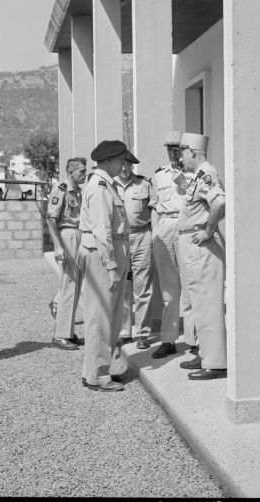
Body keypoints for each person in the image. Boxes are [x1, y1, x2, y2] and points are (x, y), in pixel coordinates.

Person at [78, 140, 130, 392]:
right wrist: (111, 266)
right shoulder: (99, 188)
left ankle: (97, 370)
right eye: (121, 160)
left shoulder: (106, 185)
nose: (124, 165)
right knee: (100, 317)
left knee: (110, 316)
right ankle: (97, 376)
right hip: (103, 256)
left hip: (110, 254)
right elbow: (102, 230)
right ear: (109, 160)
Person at [176, 133, 227, 380]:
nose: (180, 157)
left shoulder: (206, 172)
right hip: (192, 244)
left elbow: (219, 203)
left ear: (193, 152)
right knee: (199, 303)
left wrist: (208, 230)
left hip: (201, 245)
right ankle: (207, 355)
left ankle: (216, 363)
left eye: (183, 151)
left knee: (207, 304)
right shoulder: (197, 176)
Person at [149, 131, 196, 359]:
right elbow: (155, 206)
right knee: (168, 288)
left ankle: (194, 340)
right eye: (169, 148)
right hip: (166, 224)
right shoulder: (159, 175)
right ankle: (168, 339)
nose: (173, 152)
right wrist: (154, 234)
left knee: (190, 285)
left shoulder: (194, 171)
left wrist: (184, 183)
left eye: (177, 147)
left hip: (187, 223)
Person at [114, 150, 155, 350]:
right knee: (123, 287)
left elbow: (154, 211)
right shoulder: (110, 186)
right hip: (120, 239)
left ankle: (143, 333)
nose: (124, 168)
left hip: (142, 237)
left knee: (143, 286)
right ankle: (124, 331)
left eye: (127, 164)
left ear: (132, 166)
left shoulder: (144, 184)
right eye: (121, 164)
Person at [46, 157, 87, 350]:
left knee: (75, 286)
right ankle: (60, 334)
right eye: (81, 172)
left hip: (78, 235)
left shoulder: (78, 192)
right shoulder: (60, 190)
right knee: (68, 285)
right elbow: (51, 219)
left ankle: (68, 332)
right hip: (67, 235)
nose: (84, 174)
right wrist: (57, 246)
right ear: (70, 173)